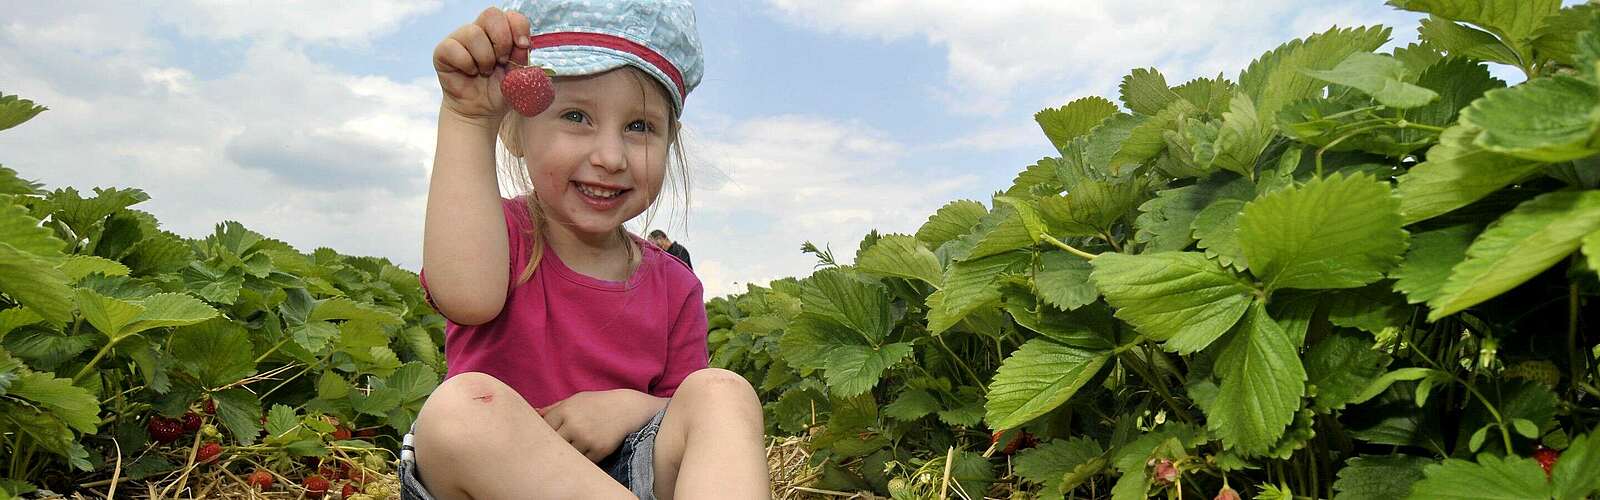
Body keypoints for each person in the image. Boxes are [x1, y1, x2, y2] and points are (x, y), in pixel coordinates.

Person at [404, 1, 768, 499]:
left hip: (628, 471)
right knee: (459, 411)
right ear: (513, 127)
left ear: (670, 142)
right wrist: (467, 119)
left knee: (723, 393)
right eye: (576, 116)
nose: (610, 157)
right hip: (490, 482)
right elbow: (464, 295)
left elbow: (681, 407)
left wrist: (630, 407)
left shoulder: (675, 285)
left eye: (639, 127)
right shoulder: (502, 234)